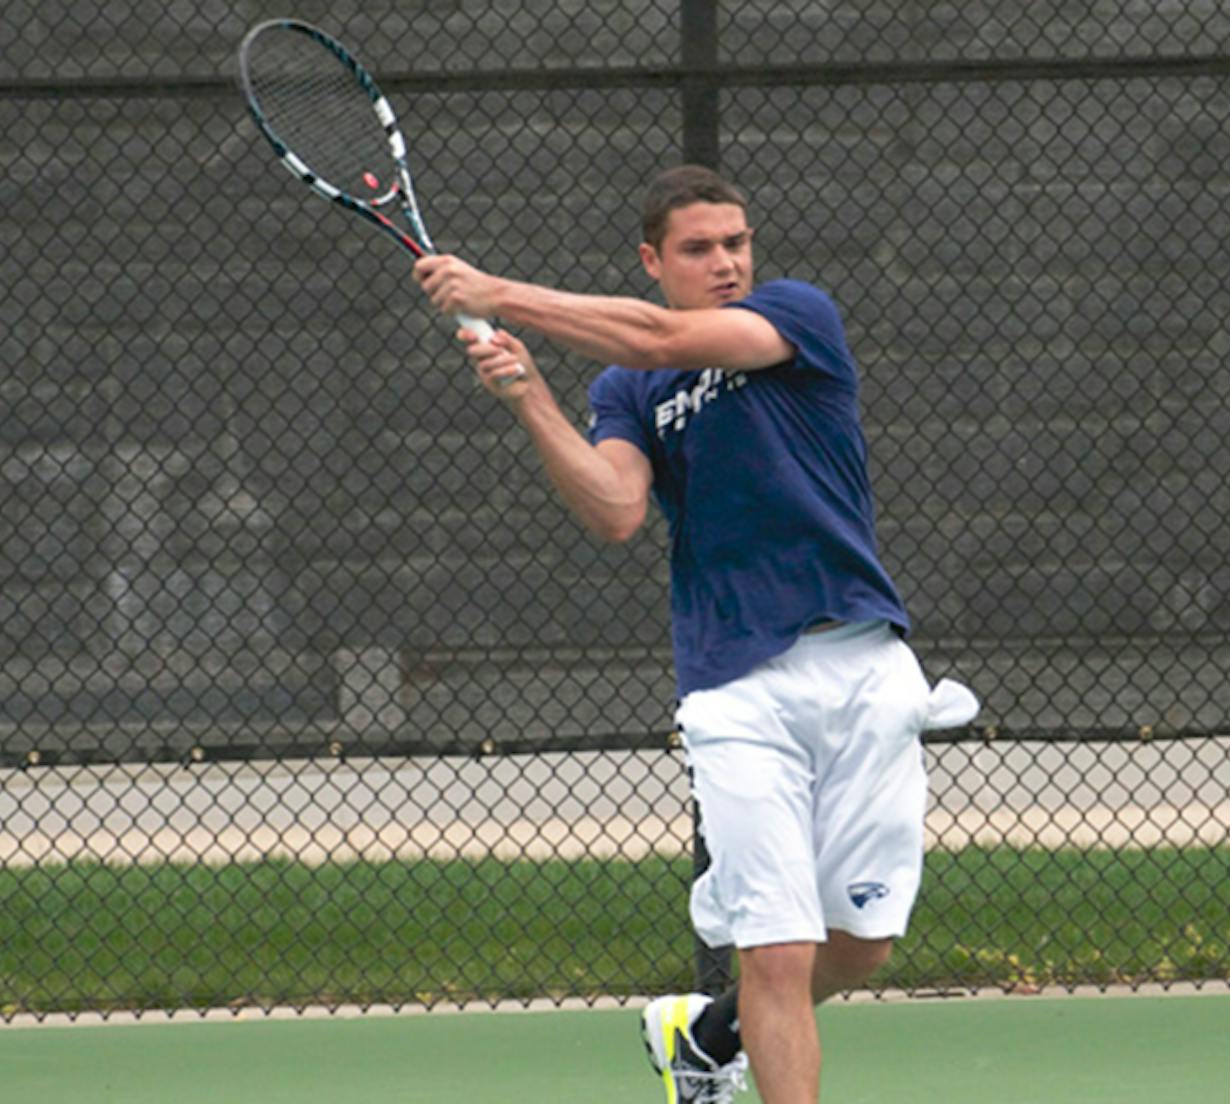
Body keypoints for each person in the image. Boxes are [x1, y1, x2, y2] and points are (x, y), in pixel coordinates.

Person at [413, 165, 976, 1104]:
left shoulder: (797, 318)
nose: (725, 262)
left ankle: (705, 1037)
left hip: (867, 668)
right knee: (779, 949)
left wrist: (498, 292)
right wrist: (531, 400)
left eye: (736, 243)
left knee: (864, 945)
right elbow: (616, 509)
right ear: (651, 258)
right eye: (699, 249)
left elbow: (661, 333)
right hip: (734, 687)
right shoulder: (628, 391)